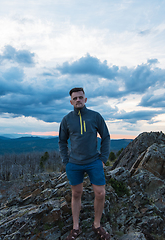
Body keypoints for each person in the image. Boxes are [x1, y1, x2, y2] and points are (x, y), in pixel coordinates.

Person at [59, 87, 111, 240]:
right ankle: (76, 227)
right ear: (71, 102)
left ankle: (97, 225)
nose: (78, 100)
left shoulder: (95, 116)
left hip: (94, 161)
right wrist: (66, 161)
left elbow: (106, 137)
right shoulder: (67, 119)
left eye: (80, 97)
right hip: (74, 163)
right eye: (75, 98)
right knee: (76, 193)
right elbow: (62, 141)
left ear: (85, 99)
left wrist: (103, 159)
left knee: (100, 193)